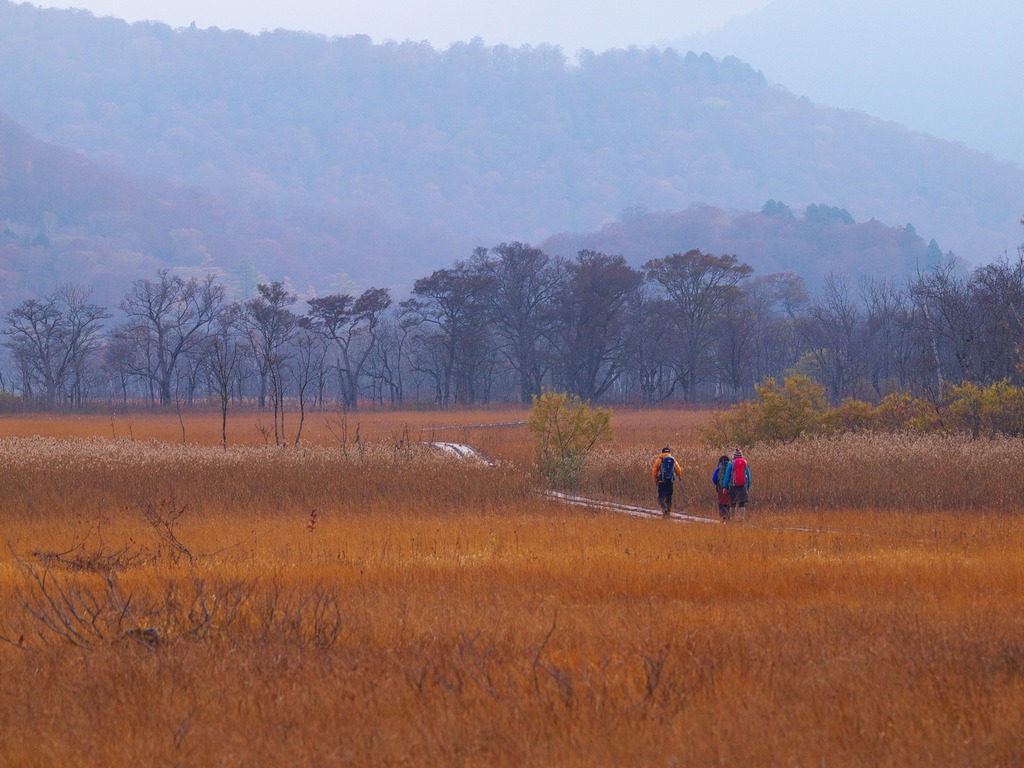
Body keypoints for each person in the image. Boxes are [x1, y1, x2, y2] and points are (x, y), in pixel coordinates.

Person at [651, 446, 682, 517]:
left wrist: (655, 479)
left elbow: (654, 470)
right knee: (669, 497)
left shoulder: (659, 460)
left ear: (662, 452)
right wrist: (679, 476)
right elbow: (678, 469)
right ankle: (668, 511)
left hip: (661, 481)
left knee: (661, 497)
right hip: (670, 482)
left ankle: (664, 507)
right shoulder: (673, 459)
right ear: (669, 452)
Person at [723, 448, 752, 521]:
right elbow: (748, 476)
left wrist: (725, 486)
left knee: (732, 502)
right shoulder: (745, 463)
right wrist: (748, 486)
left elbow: (727, 476)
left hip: (733, 485)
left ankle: (732, 519)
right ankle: (741, 519)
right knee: (741, 503)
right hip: (743, 486)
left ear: (734, 456)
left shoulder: (731, 463)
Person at [711, 454, 732, 521]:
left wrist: (718, 484)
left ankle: (723, 517)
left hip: (720, 488)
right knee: (728, 502)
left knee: (722, 502)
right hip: (729, 488)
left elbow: (714, 479)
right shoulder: (731, 466)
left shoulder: (719, 467)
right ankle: (728, 517)